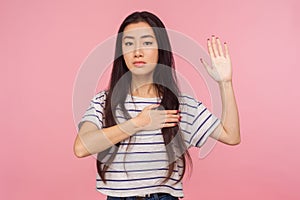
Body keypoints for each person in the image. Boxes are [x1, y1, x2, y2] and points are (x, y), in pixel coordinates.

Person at [73, 11, 240, 200]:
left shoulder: (180, 105)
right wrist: (137, 123)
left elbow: (231, 135)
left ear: (161, 48)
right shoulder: (104, 102)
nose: (137, 52)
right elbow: (81, 147)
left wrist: (225, 83)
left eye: (147, 42)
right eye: (128, 44)